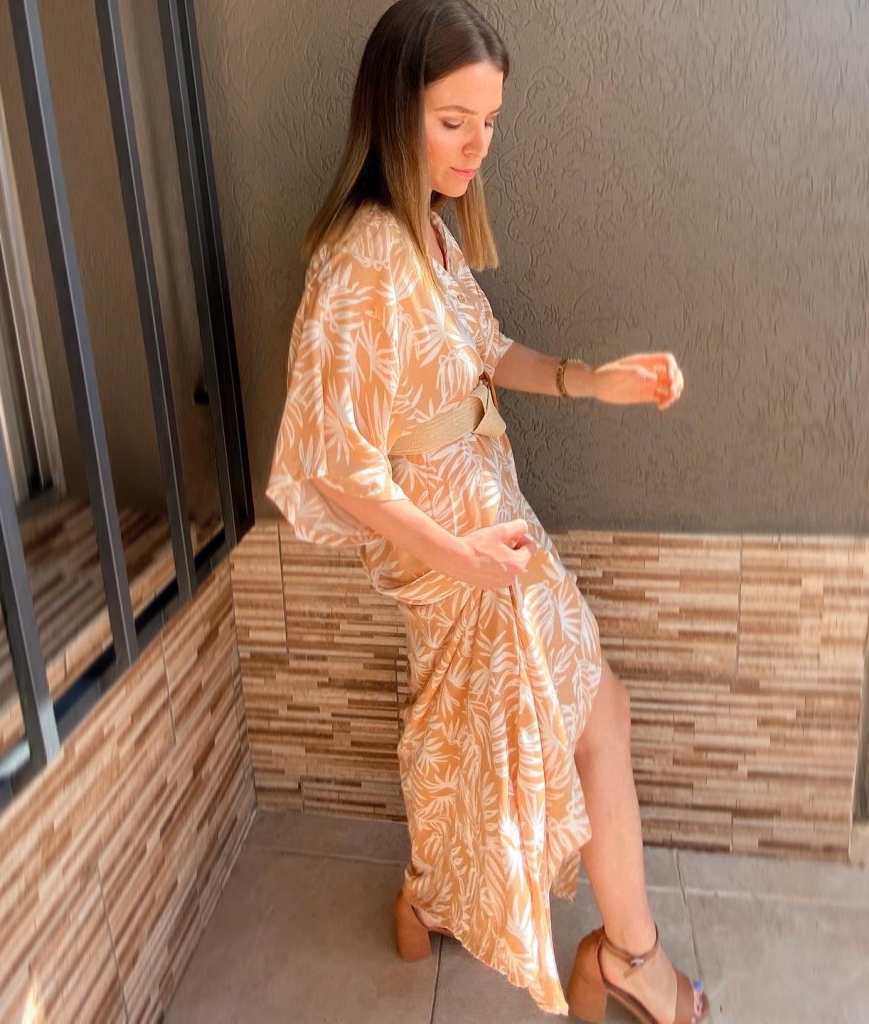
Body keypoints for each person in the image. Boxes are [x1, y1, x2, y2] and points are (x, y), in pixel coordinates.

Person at [266, 2, 707, 1021]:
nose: (476, 146)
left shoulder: (427, 230)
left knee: (478, 737)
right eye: (453, 119)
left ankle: (430, 898)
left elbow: (487, 353)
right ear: (394, 110)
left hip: (491, 520)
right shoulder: (360, 258)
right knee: (583, 717)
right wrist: (457, 556)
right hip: (455, 549)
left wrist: (594, 380)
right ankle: (629, 960)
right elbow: (336, 463)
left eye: (490, 121)